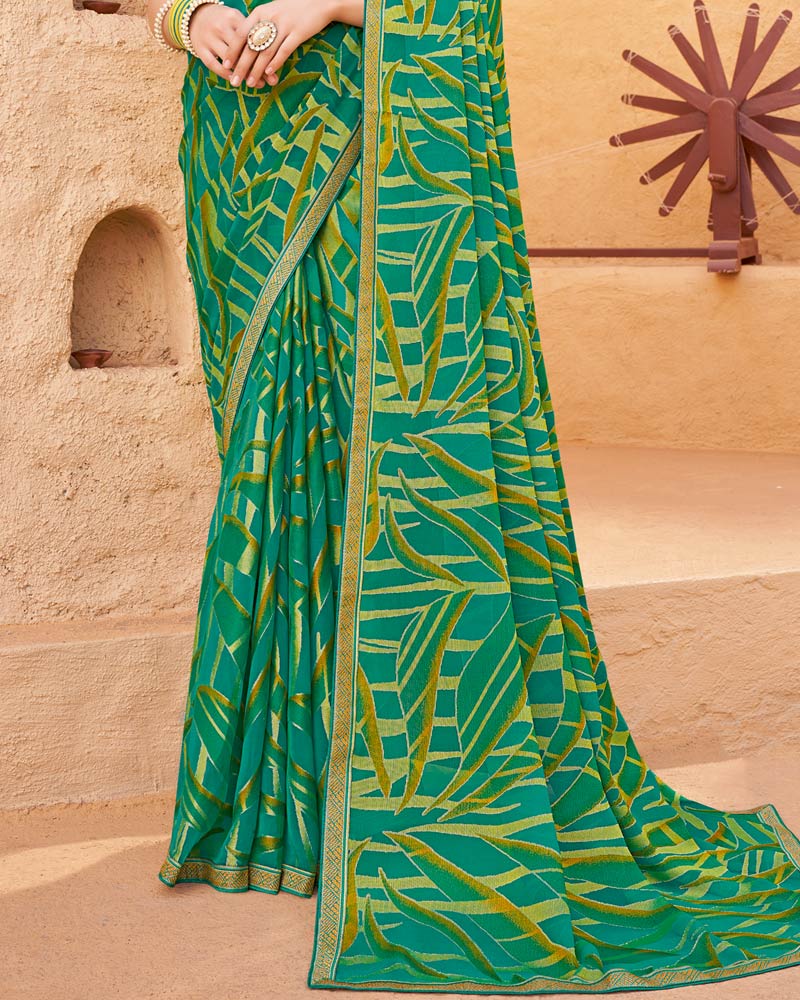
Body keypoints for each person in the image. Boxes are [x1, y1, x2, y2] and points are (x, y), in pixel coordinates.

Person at [148, 0, 800, 992]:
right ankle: (293, 803)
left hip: (371, 132)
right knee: (276, 454)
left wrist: (326, 5)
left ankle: (412, 806)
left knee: (398, 467)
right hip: (240, 149)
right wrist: (183, 16)